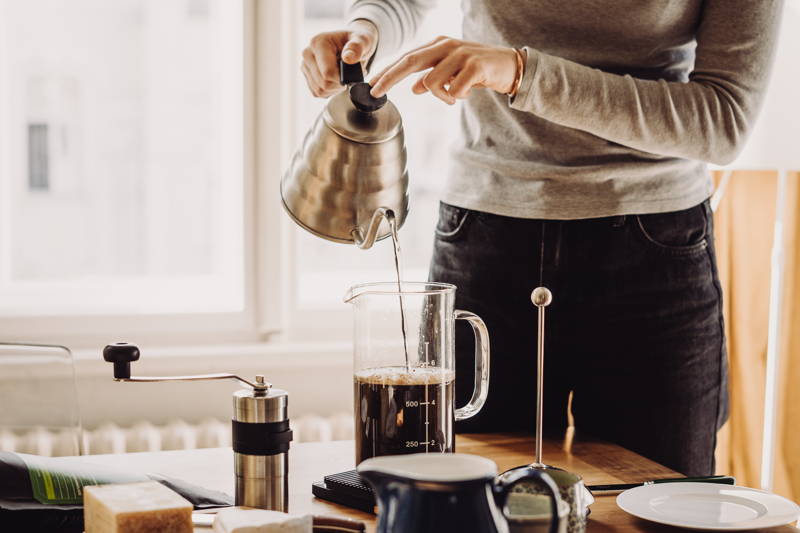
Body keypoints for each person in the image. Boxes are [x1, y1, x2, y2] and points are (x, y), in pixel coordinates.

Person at [300, 0, 784, 476]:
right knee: (460, 504)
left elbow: (724, 120)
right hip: (485, 239)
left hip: (654, 250)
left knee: (656, 504)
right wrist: (367, 29)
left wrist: (523, 74)